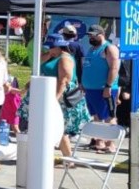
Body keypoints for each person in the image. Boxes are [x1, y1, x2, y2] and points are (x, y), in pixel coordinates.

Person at [39, 34, 90, 159]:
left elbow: (64, 81)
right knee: (52, 128)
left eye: (52, 47)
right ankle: (59, 157)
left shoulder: (65, 59)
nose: (49, 49)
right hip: (50, 93)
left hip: (63, 97)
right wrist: (49, 54)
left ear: (60, 47)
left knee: (61, 129)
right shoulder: (52, 56)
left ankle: (69, 159)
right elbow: (38, 62)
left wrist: (55, 99)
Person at [82, 24, 120, 152]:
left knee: (109, 116)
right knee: (96, 116)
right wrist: (83, 83)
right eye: (89, 36)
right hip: (91, 89)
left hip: (104, 89)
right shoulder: (91, 49)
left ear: (101, 34)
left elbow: (114, 68)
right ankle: (100, 141)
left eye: (93, 35)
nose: (90, 38)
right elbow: (88, 66)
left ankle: (111, 144)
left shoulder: (109, 48)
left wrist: (108, 86)